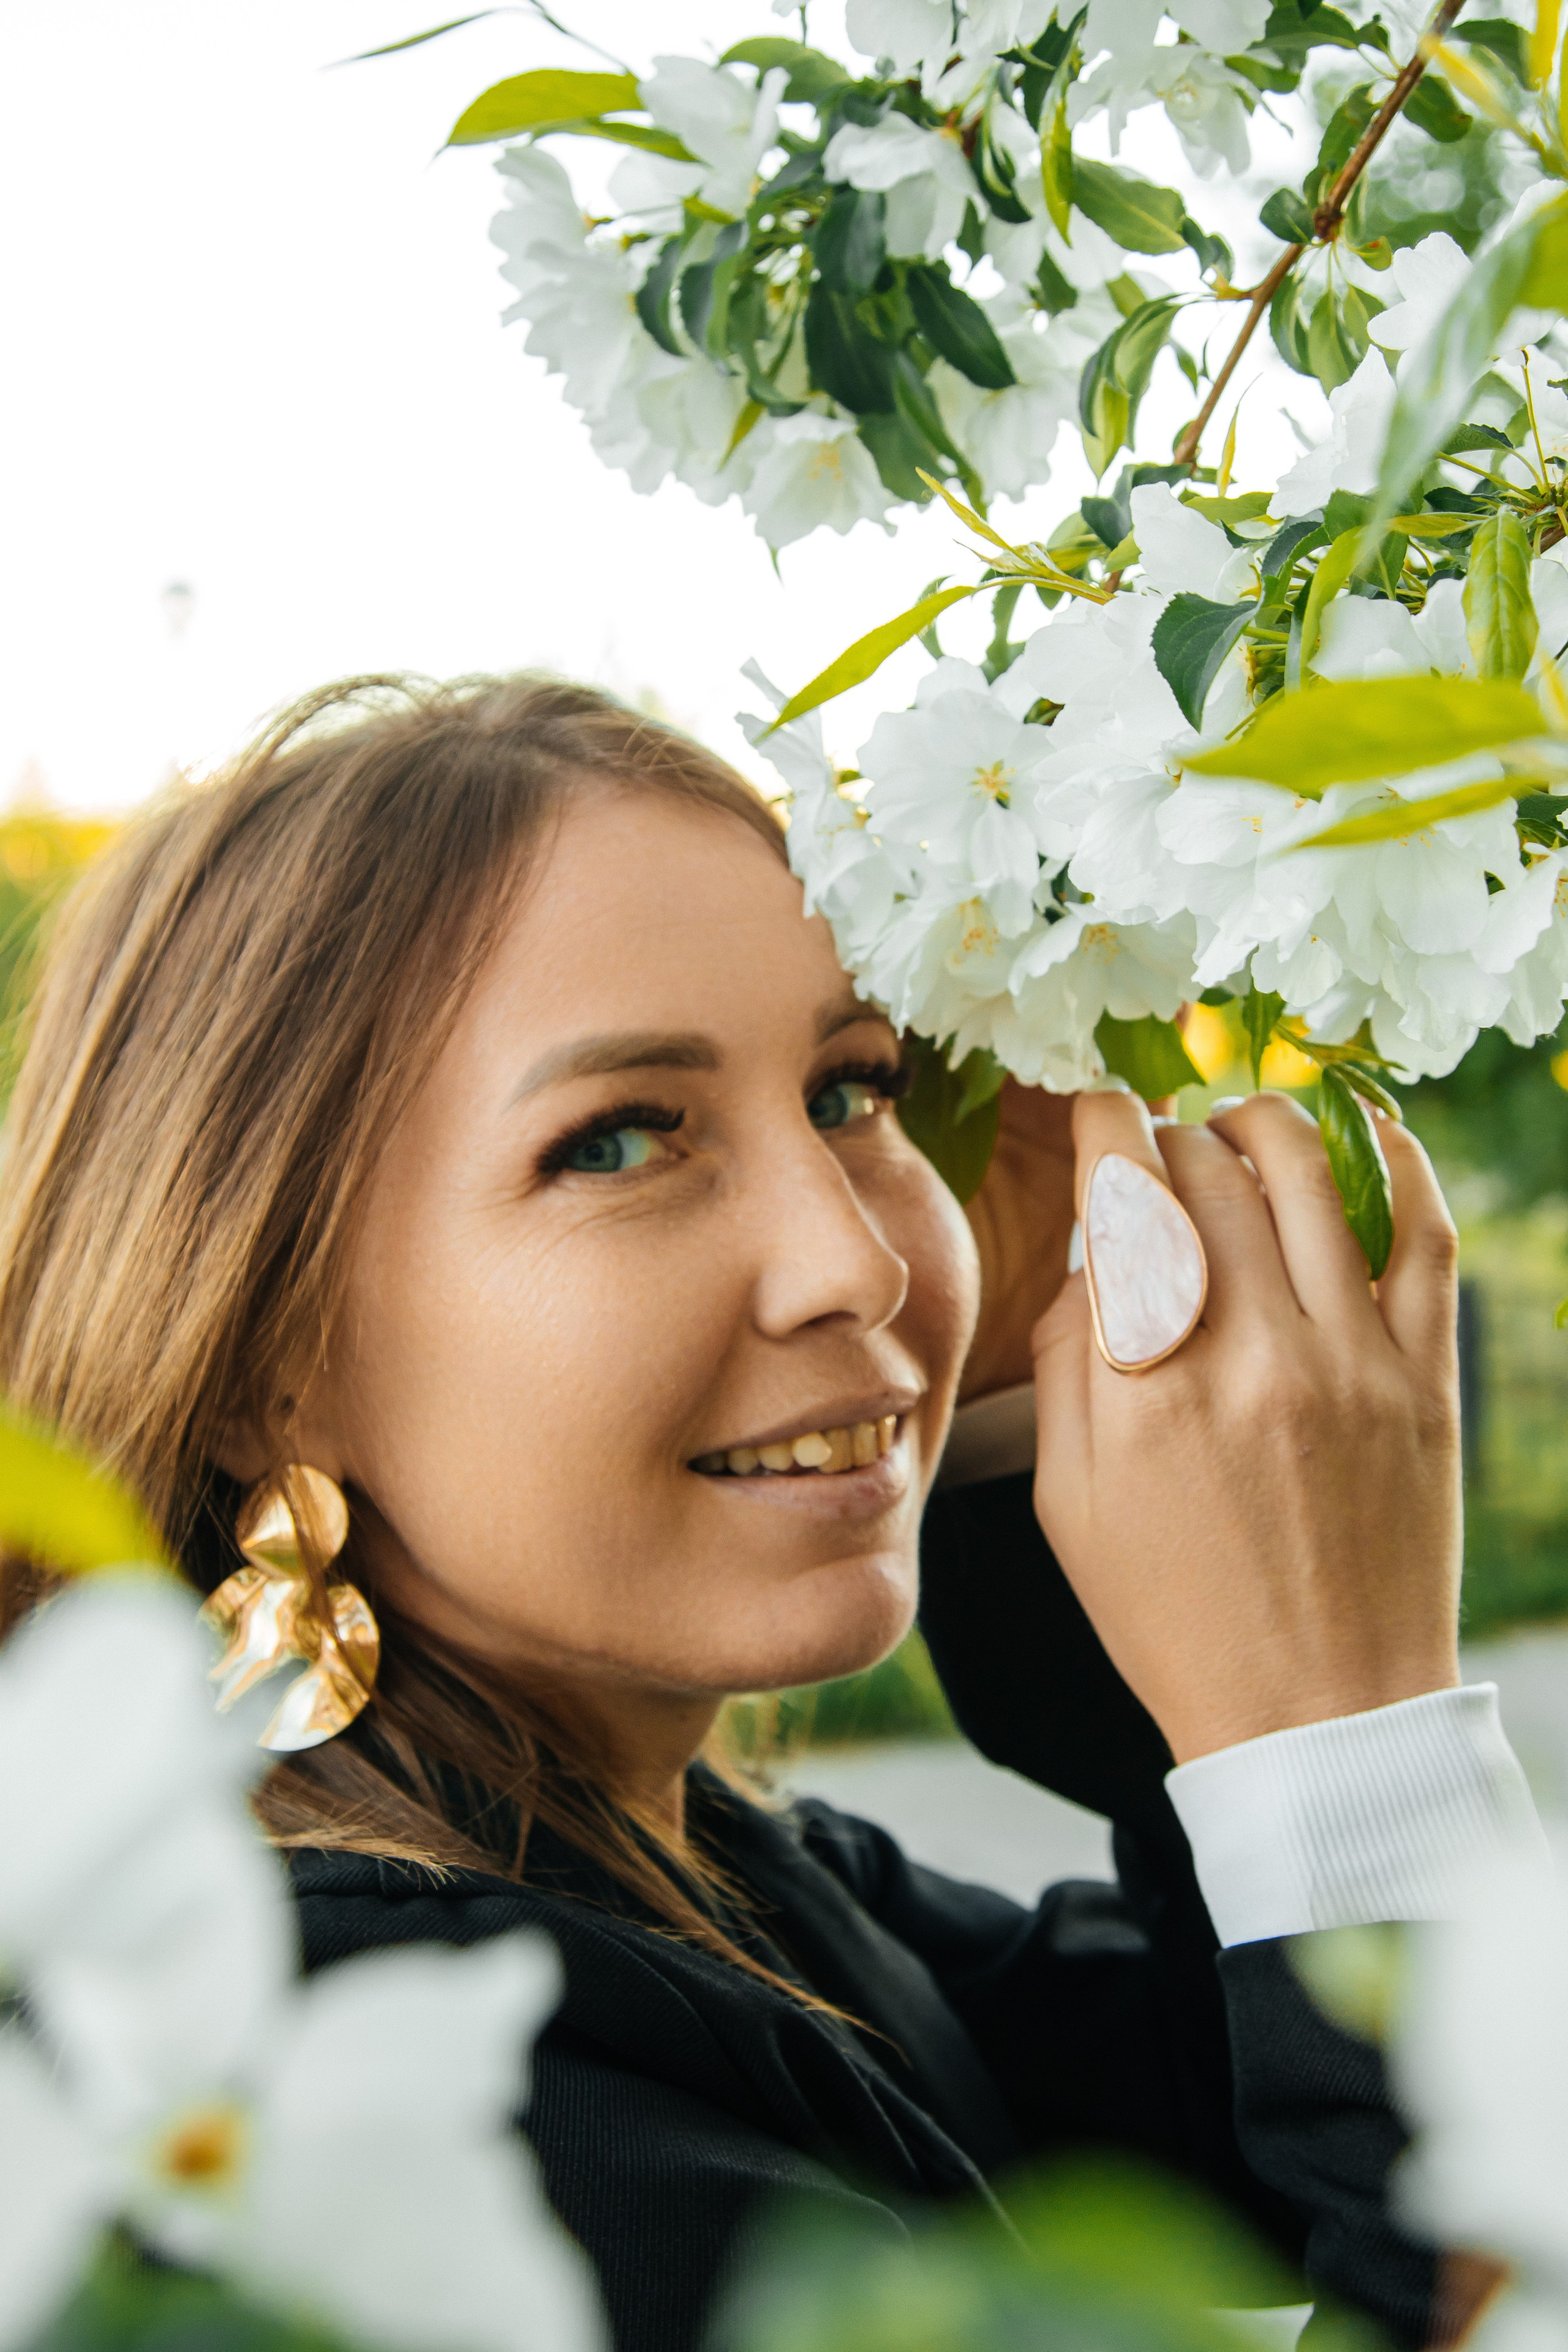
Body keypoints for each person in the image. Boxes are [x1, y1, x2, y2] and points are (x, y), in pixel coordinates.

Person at [0, 674, 1539, 2352]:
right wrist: (1339, 1731)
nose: (860, 1256)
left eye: (852, 1093)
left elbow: (1213, 2120)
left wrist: (1048, 1415)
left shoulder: (665, 1856)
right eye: (620, 1141)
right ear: (264, 1368)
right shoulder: (410, 2082)